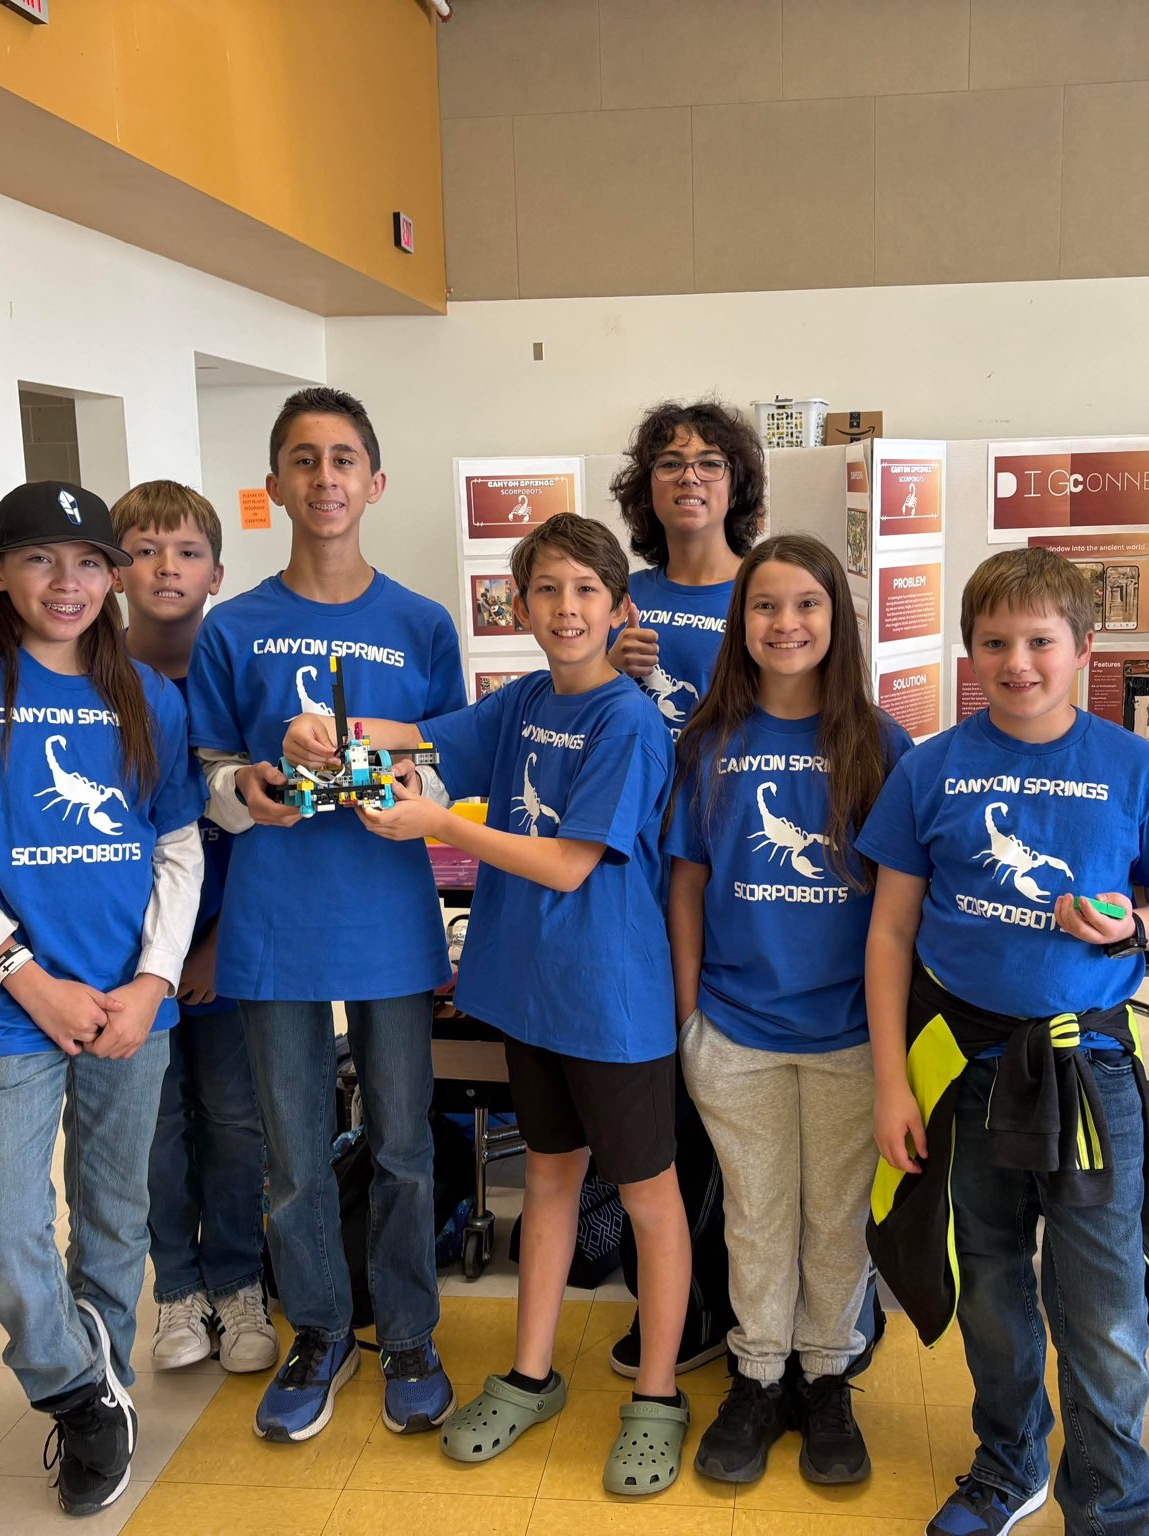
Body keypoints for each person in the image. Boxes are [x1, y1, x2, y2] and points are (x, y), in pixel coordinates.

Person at [294, 513, 694, 1495]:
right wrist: (331, 733)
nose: (565, 608)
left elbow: (567, 865)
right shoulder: (522, 701)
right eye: (546, 589)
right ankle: (530, 1374)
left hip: (611, 1005)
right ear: (518, 606)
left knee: (649, 1199)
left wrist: (438, 823)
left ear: (619, 608)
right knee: (548, 1182)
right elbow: (419, 735)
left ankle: (656, 1396)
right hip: (530, 995)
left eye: (585, 590)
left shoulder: (627, 723)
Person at [0, 481, 205, 1518]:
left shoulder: (146, 694)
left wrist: (152, 981)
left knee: (114, 1218)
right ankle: (79, 1392)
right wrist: (24, 973)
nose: (69, 582)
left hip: (132, 1008)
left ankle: (103, 1387)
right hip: (9, 1007)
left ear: (113, 577)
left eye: (90, 561)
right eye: (41, 559)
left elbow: (177, 847)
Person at [858, 546, 1149, 1536]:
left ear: (1084, 648)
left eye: (1040, 642)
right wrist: (891, 1083)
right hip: (965, 1067)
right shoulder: (929, 769)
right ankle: (1009, 1461)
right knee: (988, 1281)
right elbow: (888, 932)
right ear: (969, 650)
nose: (1017, 663)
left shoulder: (1133, 768)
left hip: (1088, 1072)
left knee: (1101, 1305)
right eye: (994, 643)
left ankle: (1109, 1503)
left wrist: (1129, 929)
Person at [188, 387, 462, 1441]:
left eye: (344, 459)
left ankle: (410, 1331)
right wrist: (252, 787)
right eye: (303, 460)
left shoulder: (420, 623)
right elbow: (210, 771)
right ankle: (320, 1330)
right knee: (295, 1152)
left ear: (375, 482)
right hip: (275, 923)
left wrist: (400, 772)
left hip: (387, 915)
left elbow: (447, 759)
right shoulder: (234, 628)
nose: (325, 478)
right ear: (274, 486)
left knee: (402, 1144)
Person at [664, 534, 911, 1487]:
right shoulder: (709, 744)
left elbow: (903, 905)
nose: (786, 623)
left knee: (837, 1220)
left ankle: (827, 1377)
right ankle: (758, 1374)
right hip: (736, 1027)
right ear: (741, 623)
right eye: (765, 605)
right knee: (757, 1216)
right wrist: (690, 1016)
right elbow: (688, 884)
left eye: (807, 603)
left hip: (850, 1033)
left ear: (837, 618)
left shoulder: (881, 746)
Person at [604, 399, 769, 1378]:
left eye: (709, 461)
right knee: (654, 1104)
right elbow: (580, 724)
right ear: (646, 486)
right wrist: (611, 675)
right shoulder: (619, 599)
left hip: (738, 882)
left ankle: (747, 1304)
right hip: (634, 883)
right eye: (669, 462)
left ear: (735, 482)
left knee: (731, 1102)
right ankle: (670, 1303)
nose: (689, 477)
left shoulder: (766, 592)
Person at [110, 482, 278, 1375]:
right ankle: (176, 1288)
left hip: (225, 951)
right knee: (154, 1124)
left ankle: (239, 1282)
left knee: (235, 1118)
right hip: (125, 961)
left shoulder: (236, 683)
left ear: (217, 572)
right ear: (114, 570)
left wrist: (214, 944)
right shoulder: (92, 684)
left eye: (185, 552)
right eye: (143, 550)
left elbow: (267, 828)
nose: (165, 568)